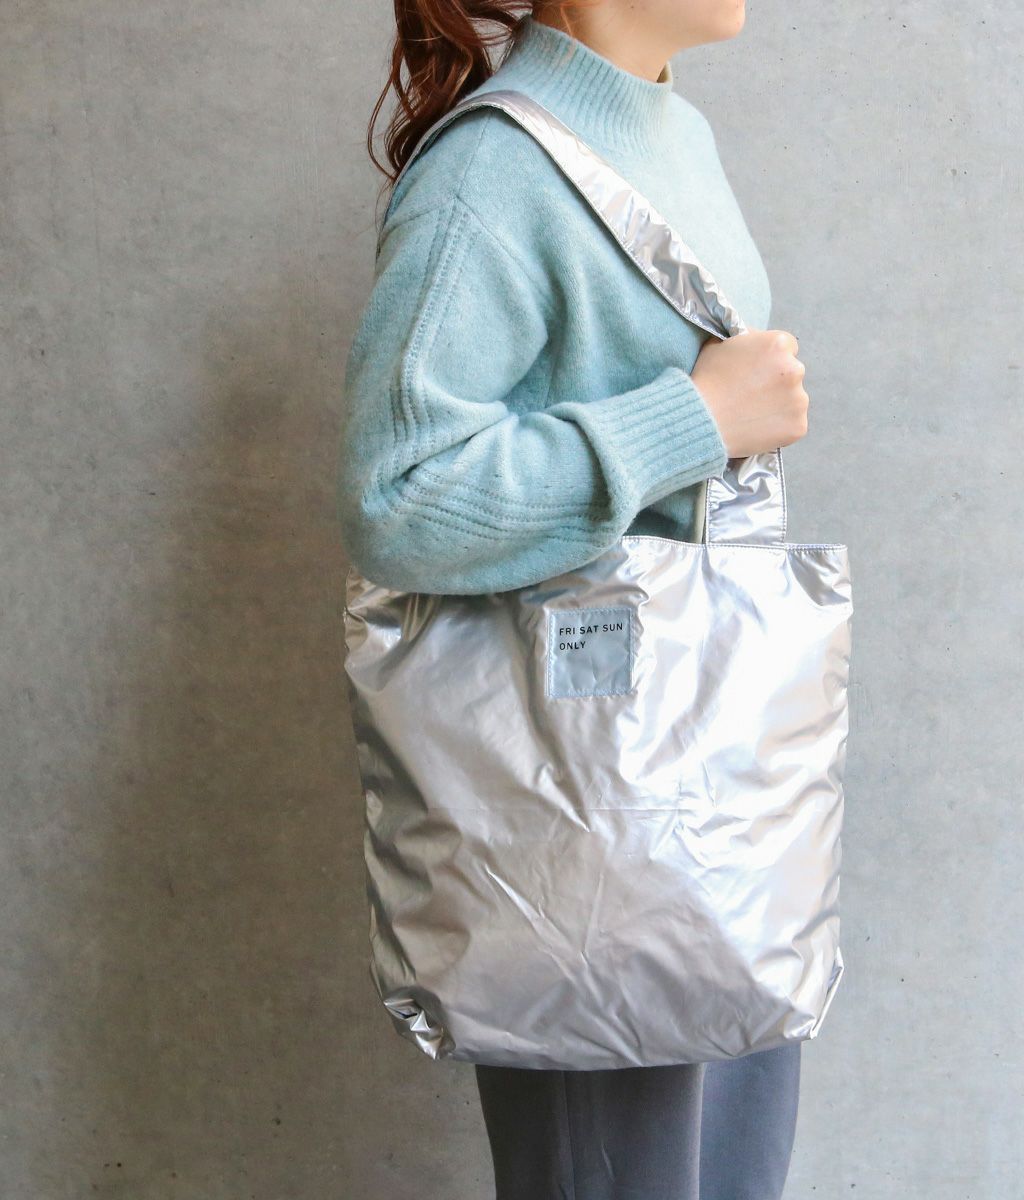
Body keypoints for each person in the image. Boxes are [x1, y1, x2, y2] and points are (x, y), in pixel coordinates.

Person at [337, 3, 812, 1196]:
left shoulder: (673, 136)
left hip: (718, 802)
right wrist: (693, 419)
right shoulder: (491, 172)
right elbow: (399, 500)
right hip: (591, 815)